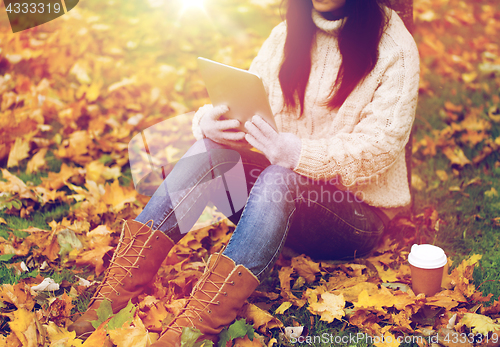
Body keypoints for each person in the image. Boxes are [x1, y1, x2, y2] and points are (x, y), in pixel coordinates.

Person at [68, 0, 420, 345]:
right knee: (211, 151)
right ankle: (112, 296)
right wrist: (212, 122)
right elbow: (246, 102)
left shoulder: (394, 46)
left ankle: (195, 328)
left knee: (280, 177)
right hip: (276, 201)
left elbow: (380, 147)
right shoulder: (287, 34)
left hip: (354, 216)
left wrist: (297, 153)